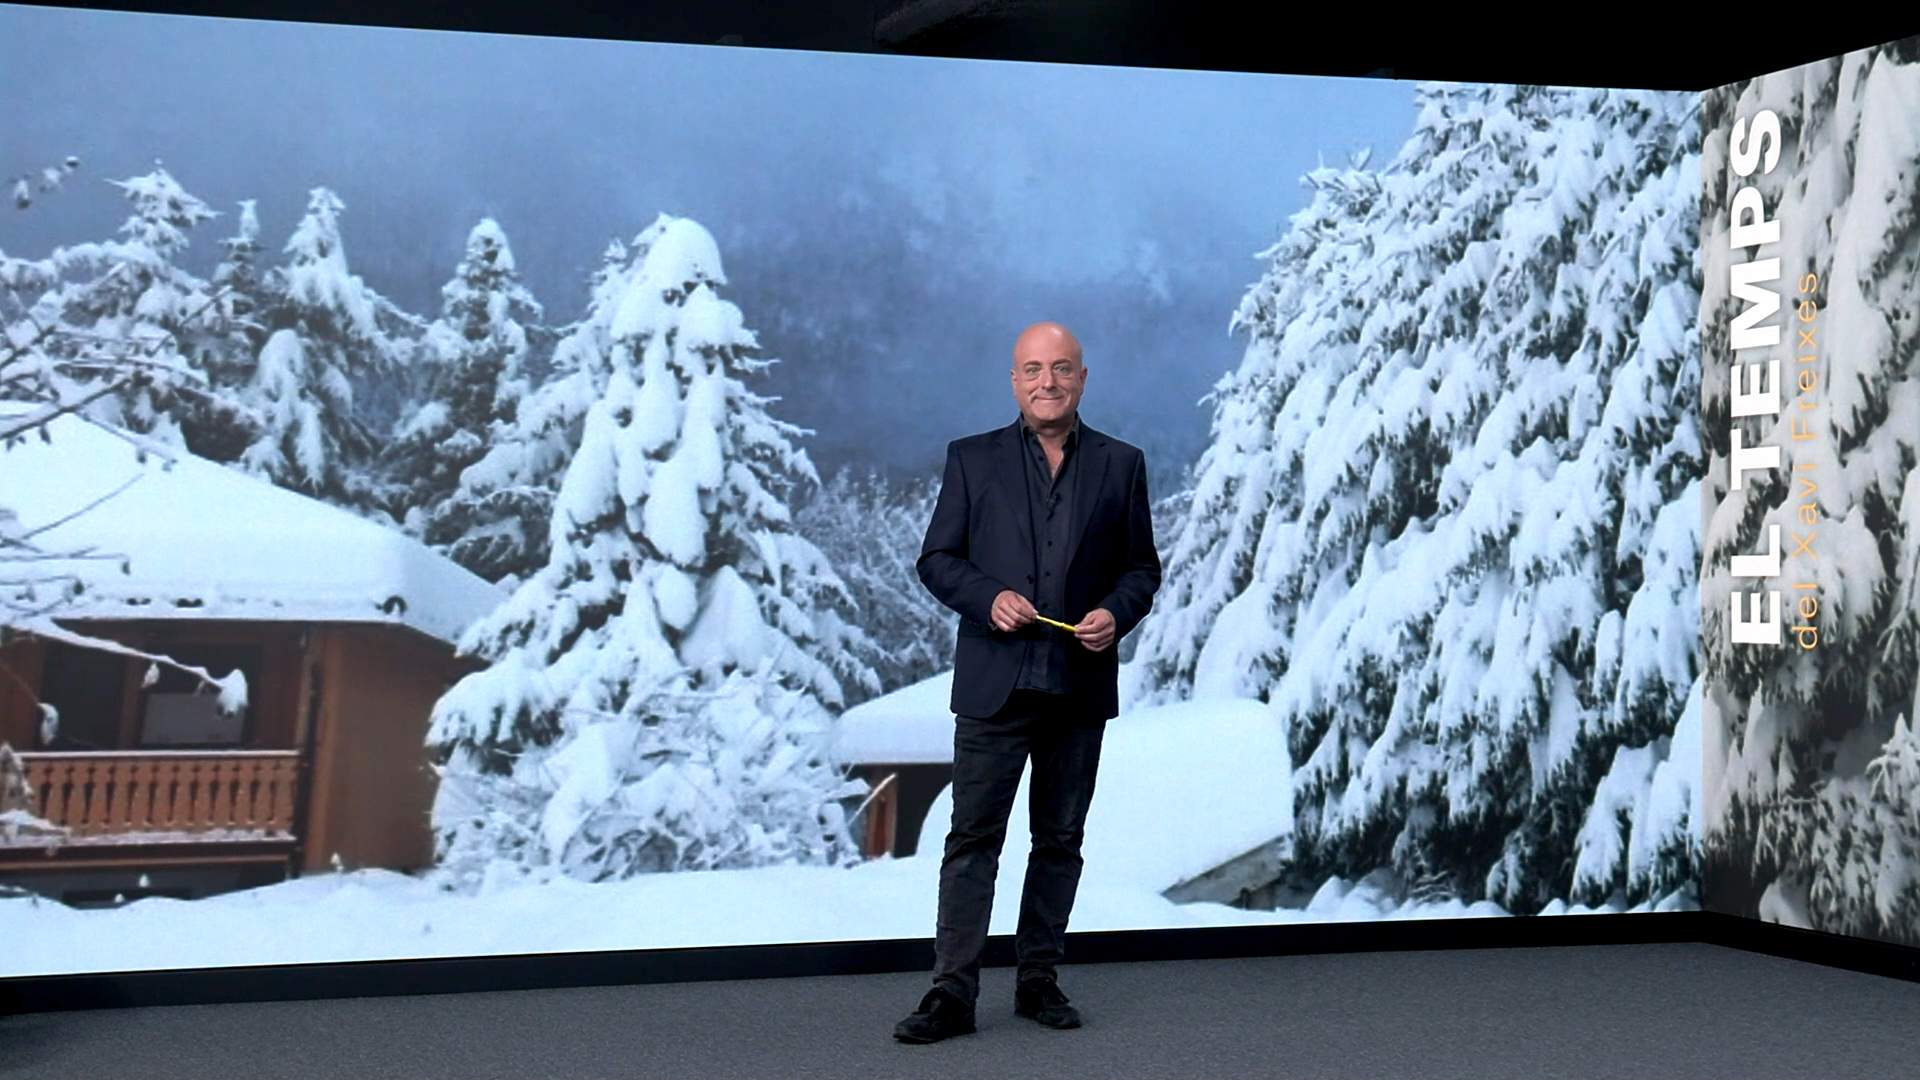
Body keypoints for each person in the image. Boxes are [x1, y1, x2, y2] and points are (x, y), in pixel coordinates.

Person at [893, 321, 1162, 1043]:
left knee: (1059, 840)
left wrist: (1115, 611)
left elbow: (1142, 569)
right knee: (972, 840)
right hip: (994, 685)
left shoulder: (1122, 463)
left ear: (1082, 378)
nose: (1049, 382)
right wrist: (986, 598)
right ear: (1014, 381)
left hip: (1078, 686)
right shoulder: (971, 460)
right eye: (1034, 369)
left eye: (1062, 368)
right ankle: (951, 994)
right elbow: (938, 559)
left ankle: (1038, 981)